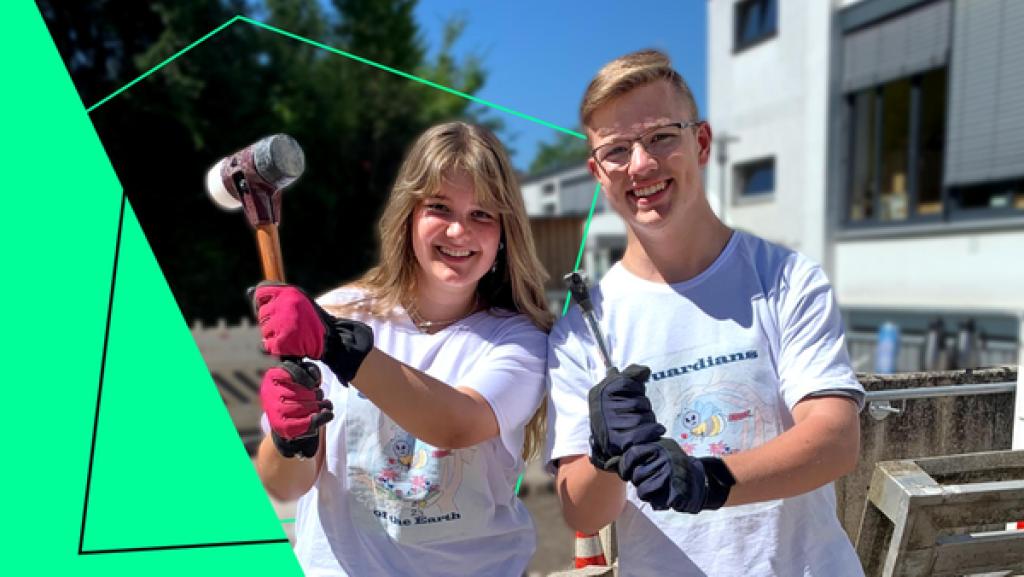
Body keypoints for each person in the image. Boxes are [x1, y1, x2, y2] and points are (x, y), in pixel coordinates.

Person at [546, 50, 866, 576]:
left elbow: (836, 441)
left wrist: (707, 481)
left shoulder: (785, 279)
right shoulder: (583, 329)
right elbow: (581, 509)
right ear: (597, 173)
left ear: (701, 142)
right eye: (617, 150)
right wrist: (606, 458)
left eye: (661, 137)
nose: (641, 164)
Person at [252, 121, 554, 576]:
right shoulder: (337, 311)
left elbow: (456, 424)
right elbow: (284, 484)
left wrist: (337, 345)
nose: (458, 232)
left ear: (505, 231)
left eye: (482, 215)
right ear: (408, 215)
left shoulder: (520, 340)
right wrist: (289, 437)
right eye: (439, 207)